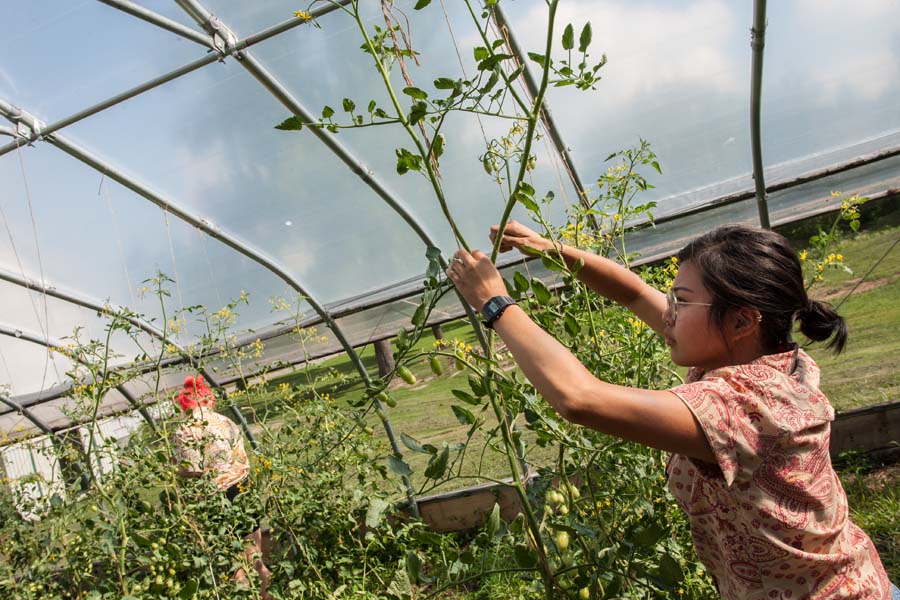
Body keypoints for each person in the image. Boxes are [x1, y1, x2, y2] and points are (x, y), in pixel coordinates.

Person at [446, 221, 898, 599]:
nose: (668, 313)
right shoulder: (753, 353)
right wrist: (549, 249)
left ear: (742, 319)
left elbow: (580, 399)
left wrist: (495, 303)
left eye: (682, 301)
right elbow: (633, 293)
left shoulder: (748, 404)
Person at [173, 375, 270, 599]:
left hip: (216, 497)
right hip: (243, 489)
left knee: (236, 567)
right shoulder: (227, 421)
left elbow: (193, 469)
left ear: (185, 404)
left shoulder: (185, 430)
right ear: (208, 399)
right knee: (256, 560)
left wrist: (174, 469)